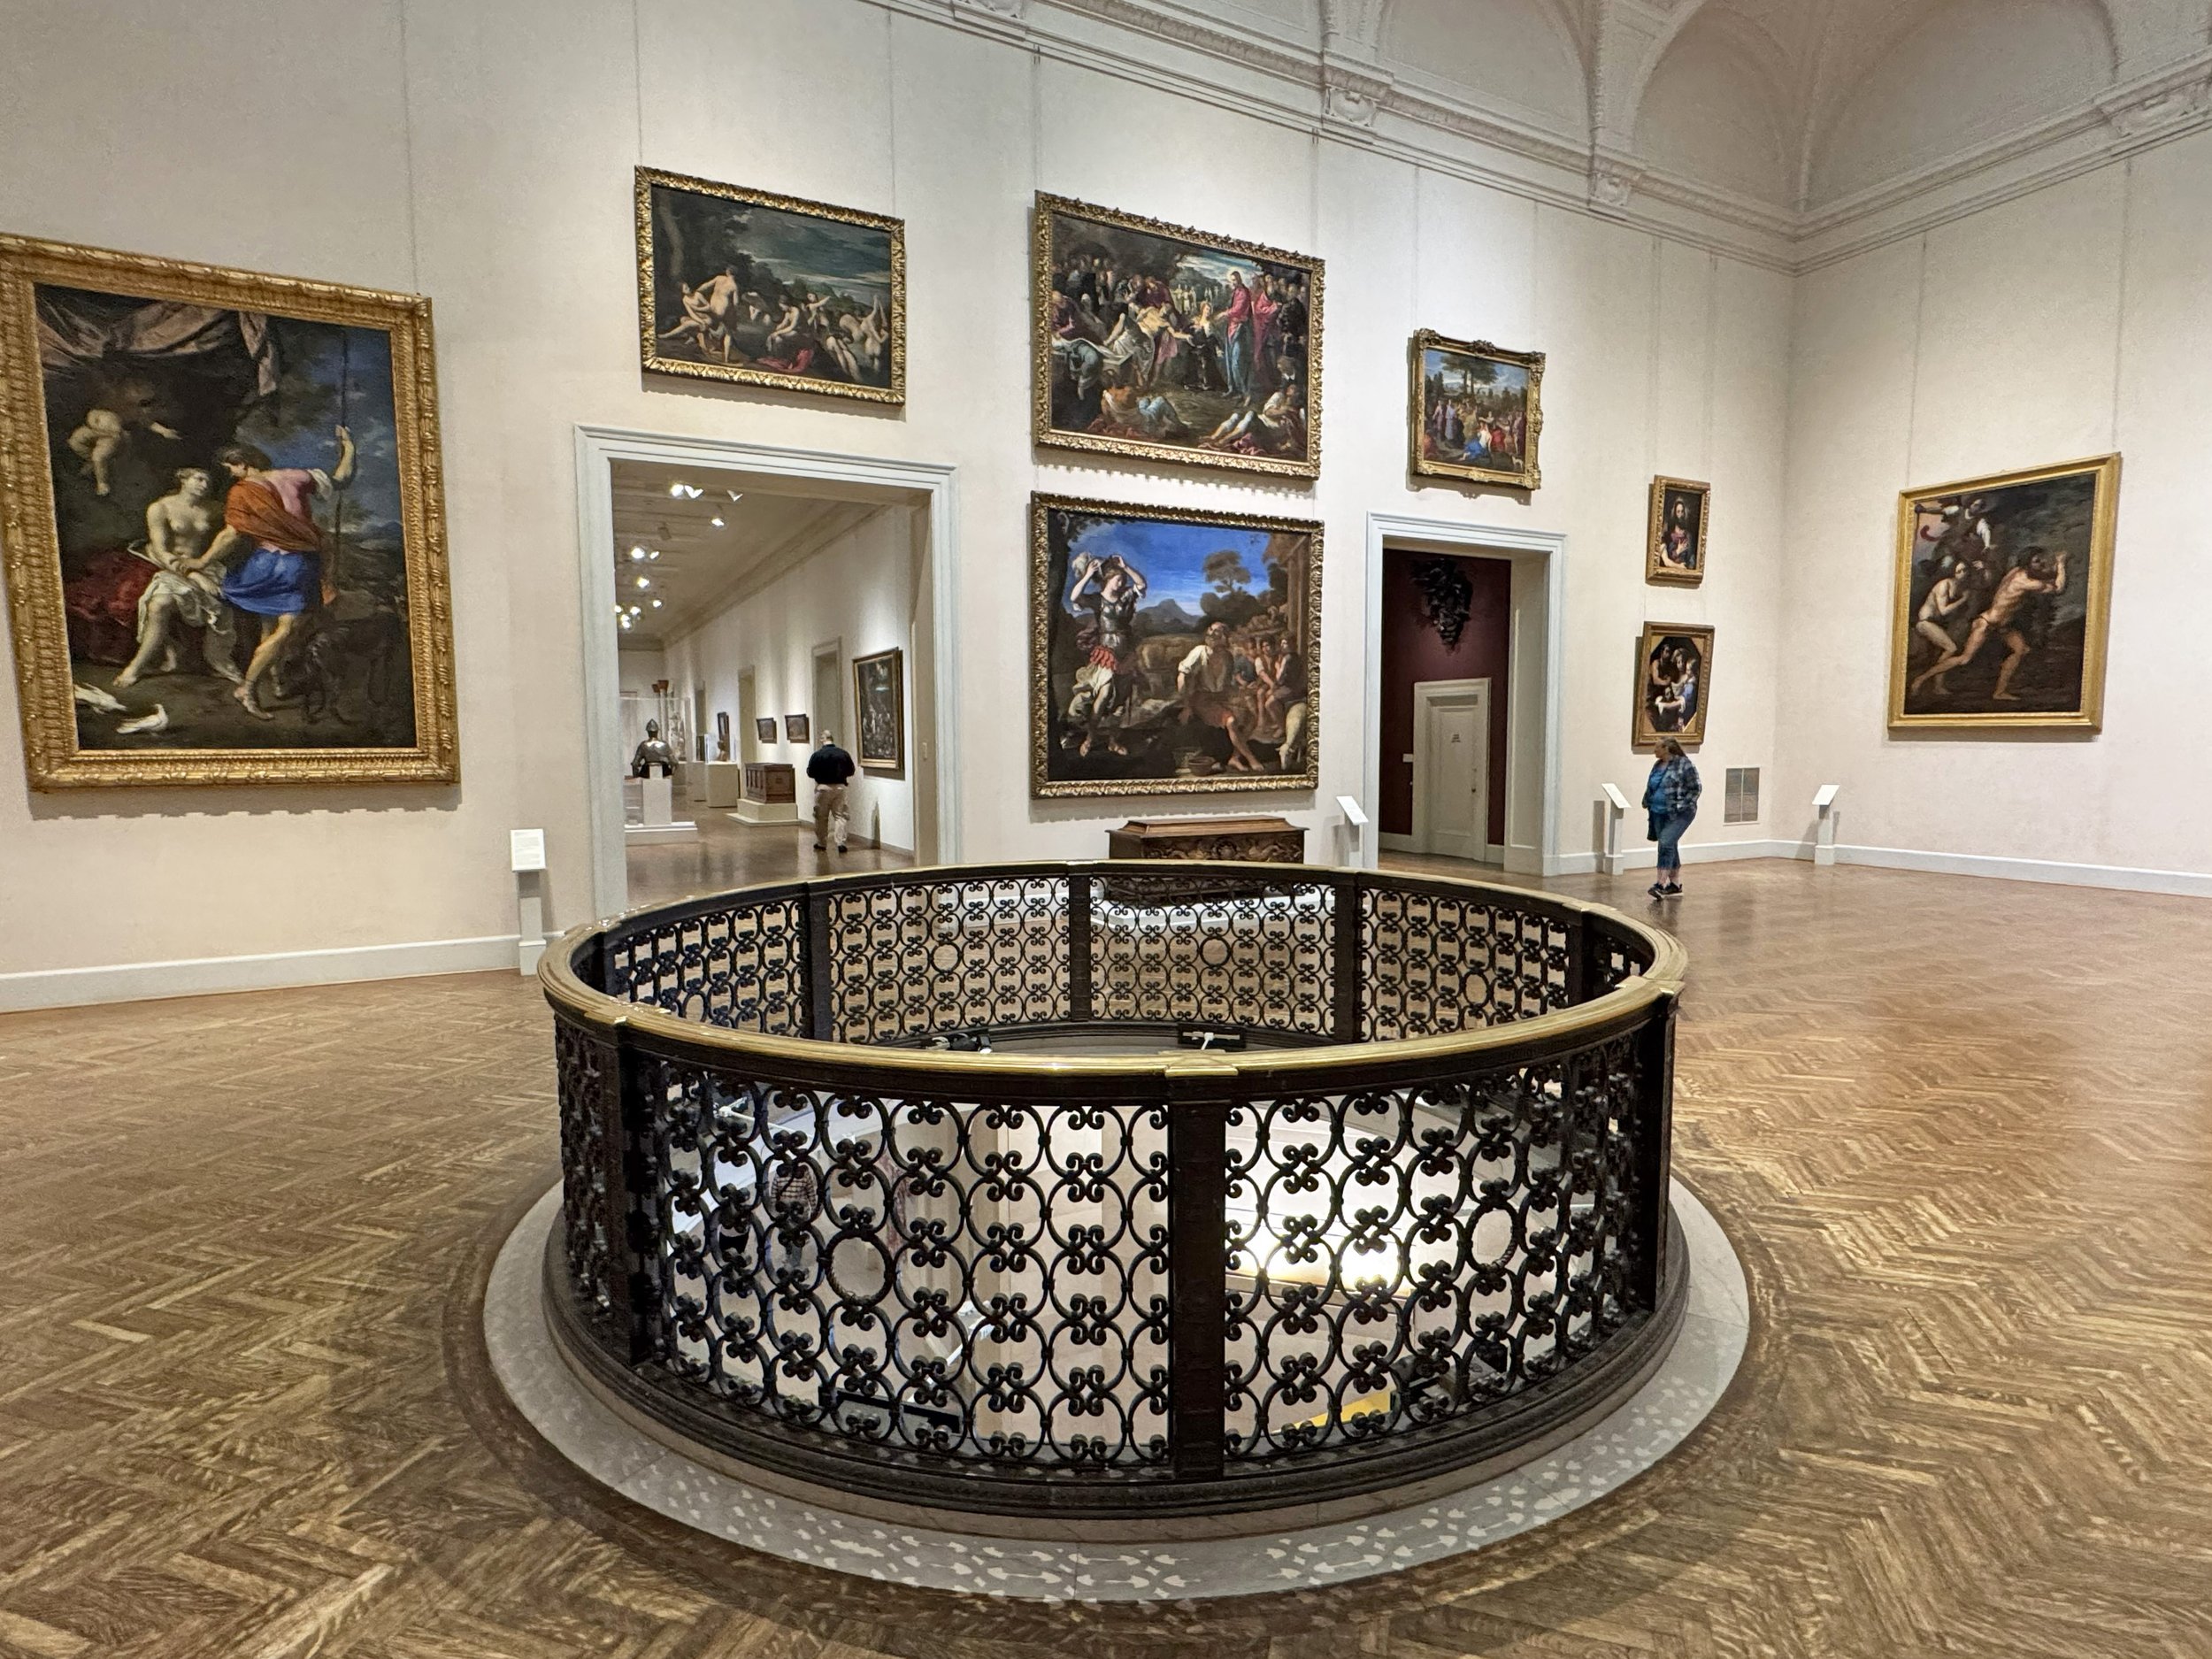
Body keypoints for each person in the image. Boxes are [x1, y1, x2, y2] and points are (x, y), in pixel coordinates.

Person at [181, 426, 355, 720]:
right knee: (280, 631)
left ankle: (254, 686)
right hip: (294, 564)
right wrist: (349, 447)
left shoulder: (241, 491)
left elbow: (231, 534)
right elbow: (341, 479)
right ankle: (257, 685)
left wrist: (201, 561)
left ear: (243, 463)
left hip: (273, 565)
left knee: (275, 630)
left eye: (231, 468)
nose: (231, 474)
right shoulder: (295, 476)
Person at [115, 467, 240, 688]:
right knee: (159, 605)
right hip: (172, 567)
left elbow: (232, 536)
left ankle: (219, 659)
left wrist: (204, 566)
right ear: (183, 479)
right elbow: (161, 551)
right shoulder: (160, 508)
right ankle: (136, 667)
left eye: (208, 481)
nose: (204, 485)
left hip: (206, 567)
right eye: (199, 479)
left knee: (223, 606)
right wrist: (195, 576)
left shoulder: (215, 509)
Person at [1909, 546, 2068, 703]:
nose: (2041, 564)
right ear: (2027, 563)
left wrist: (2054, 566)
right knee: (1965, 658)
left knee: (2021, 650)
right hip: (1986, 623)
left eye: (2041, 560)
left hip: (2003, 626)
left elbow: (2044, 576)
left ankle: (1999, 692)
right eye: (2037, 561)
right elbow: (2058, 588)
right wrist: (2061, 564)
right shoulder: (2025, 582)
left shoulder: (2017, 571)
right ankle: (1921, 679)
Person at [1642, 737, 1701, 900]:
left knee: (1666, 843)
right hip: (1658, 812)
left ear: (1666, 749)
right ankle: (1675, 884)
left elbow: (1695, 788)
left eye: (1657, 747)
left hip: (1679, 813)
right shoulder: (1658, 765)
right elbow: (1652, 786)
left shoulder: (1684, 764)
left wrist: (1681, 805)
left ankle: (1660, 884)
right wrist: (1647, 801)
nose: (1654, 750)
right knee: (1670, 844)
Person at [806, 730, 856, 853]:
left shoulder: (817, 755)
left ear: (823, 739)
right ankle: (841, 843)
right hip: (840, 787)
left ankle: (822, 843)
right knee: (840, 816)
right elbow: (851, 770)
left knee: (821, 817)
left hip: (823, 788)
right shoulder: (843, 754)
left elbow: (810, 772)